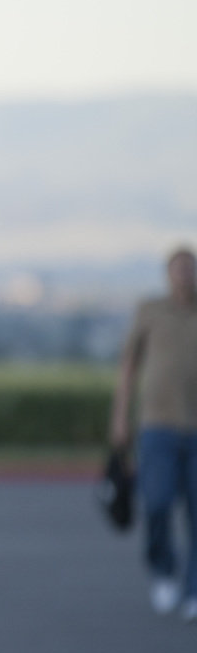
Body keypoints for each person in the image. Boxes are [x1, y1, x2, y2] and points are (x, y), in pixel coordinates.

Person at [110, 245, 197, 622]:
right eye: (177, 268)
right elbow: (129, 366)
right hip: (157, 426)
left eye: (190, 268)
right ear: (167, 274)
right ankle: (164, 571)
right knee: (157, 503)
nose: (184, 275)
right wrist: (120, 417)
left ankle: (193, 589)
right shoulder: (150, 310)